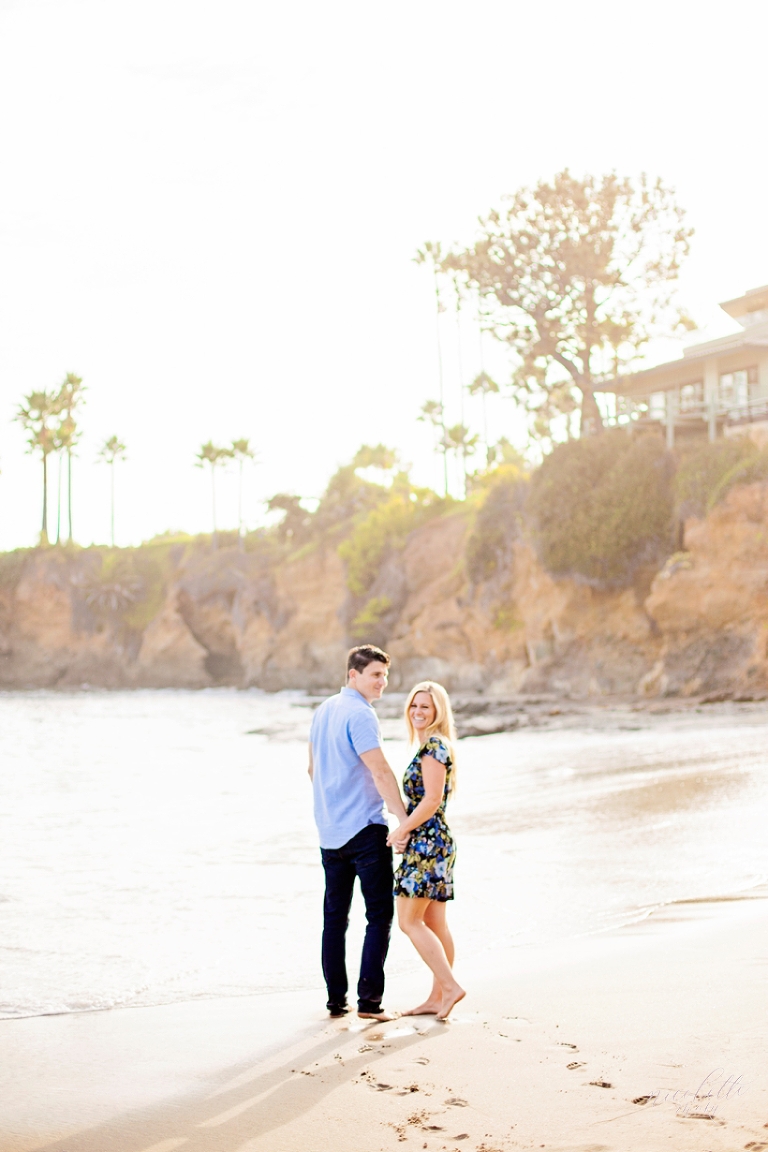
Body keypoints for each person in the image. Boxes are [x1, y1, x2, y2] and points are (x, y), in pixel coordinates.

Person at [308, 644, 409, 1021]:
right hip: (365, 830)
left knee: (334, 920)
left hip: (329, 834)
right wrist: (402, 820)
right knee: (378, 916)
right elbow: (380, 771)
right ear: (353, 674)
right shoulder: (361, 715)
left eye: (385, 674)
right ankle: (369, 1003)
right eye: (375, 675)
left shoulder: (322, 711)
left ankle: (337, 1002)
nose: (383, 682)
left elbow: (311, 770)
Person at [388, 680, 465, 1020]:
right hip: (434, 840)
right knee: (434, 923)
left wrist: (402, 829)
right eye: (414, 706)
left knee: (409, 921)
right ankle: (437, 997)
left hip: (428, 843)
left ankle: (449, 987)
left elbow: (432, 799)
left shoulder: (434, 746)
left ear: (438, 712)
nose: (418, 712)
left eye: (426, 707)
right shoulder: (432, 746)